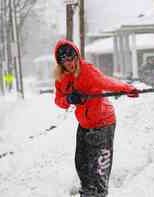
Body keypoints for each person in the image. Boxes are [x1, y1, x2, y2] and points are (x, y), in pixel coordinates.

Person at [53, 39, 139, 197]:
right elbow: (59, 101)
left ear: (76, 56)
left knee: (99, 167)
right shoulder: (61, 78)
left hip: (103, 122)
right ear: (60, 62)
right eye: (64, 61)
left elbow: (106, 82)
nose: (69, 63)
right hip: (84, 124)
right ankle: (87, 193)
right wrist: (69, 99)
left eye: (71, 58)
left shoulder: (86, 70)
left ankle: (99, 193)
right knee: (82, 164)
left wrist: (127, 89)